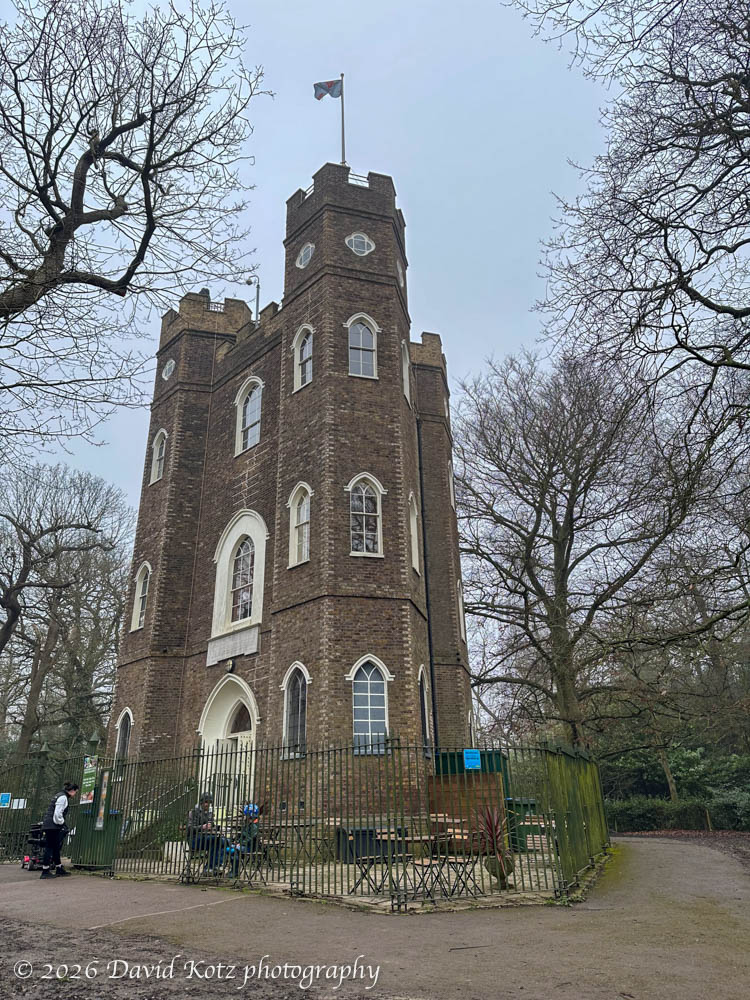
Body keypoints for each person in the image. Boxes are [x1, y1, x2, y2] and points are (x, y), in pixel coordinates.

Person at [40, 781, 79, 879]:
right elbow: (57, 814)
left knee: (56, 847)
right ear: (72, 790)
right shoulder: (63, 798)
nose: (75, 794)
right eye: (75, 792)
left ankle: (59, 868)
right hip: (53, 825)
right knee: (50, 847)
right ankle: (45, 871)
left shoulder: (59, 795)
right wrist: (62, 823)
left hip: (50, 824)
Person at [187, 791, 227, 872]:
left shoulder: (209, 813)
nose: (207, 804)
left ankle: (213, 866)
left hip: (207, 838)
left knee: (223, 841)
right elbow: (190, 828)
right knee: (215, 840)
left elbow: (212, 825)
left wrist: (216, 828)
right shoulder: (193, 812)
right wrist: (202, 827)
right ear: (201, 802)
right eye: (206, 802)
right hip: (195, 839)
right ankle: (211, 867)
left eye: (209, 802)